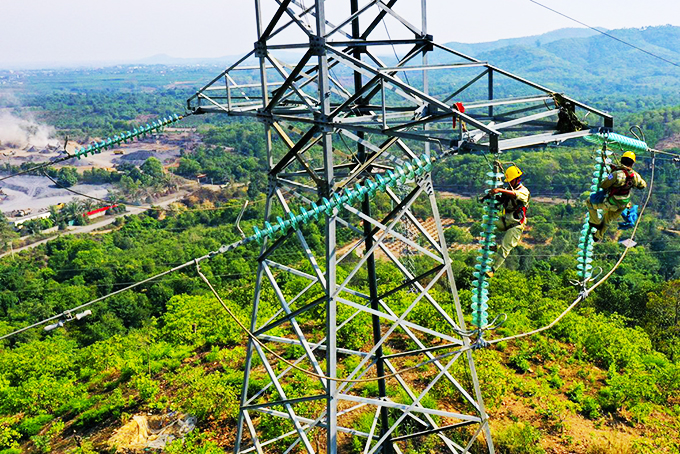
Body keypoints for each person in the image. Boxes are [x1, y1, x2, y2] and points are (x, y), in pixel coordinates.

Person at [586, 151, 647, 242]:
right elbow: (643, 185)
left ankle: (595, 222)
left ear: (622, 160)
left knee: (589, 202)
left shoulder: (615, 174)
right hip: (623, 205)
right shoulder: (635, 176)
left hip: (611, 202)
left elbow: (604, 185)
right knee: (608, 218)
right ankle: (598, 236)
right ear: (632, 163)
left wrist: (611, 175)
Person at [486, 165, 531, 277]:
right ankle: (492, 245)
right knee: (489, 223)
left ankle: (492, 269)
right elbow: (500, 199)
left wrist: (500, 190)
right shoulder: (507, 190)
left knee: (504, 248)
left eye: (510, 181)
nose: (509, 183)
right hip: (506, 221)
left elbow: (515, 195)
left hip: (516, 225)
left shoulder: (523, 191)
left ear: (516, 180)